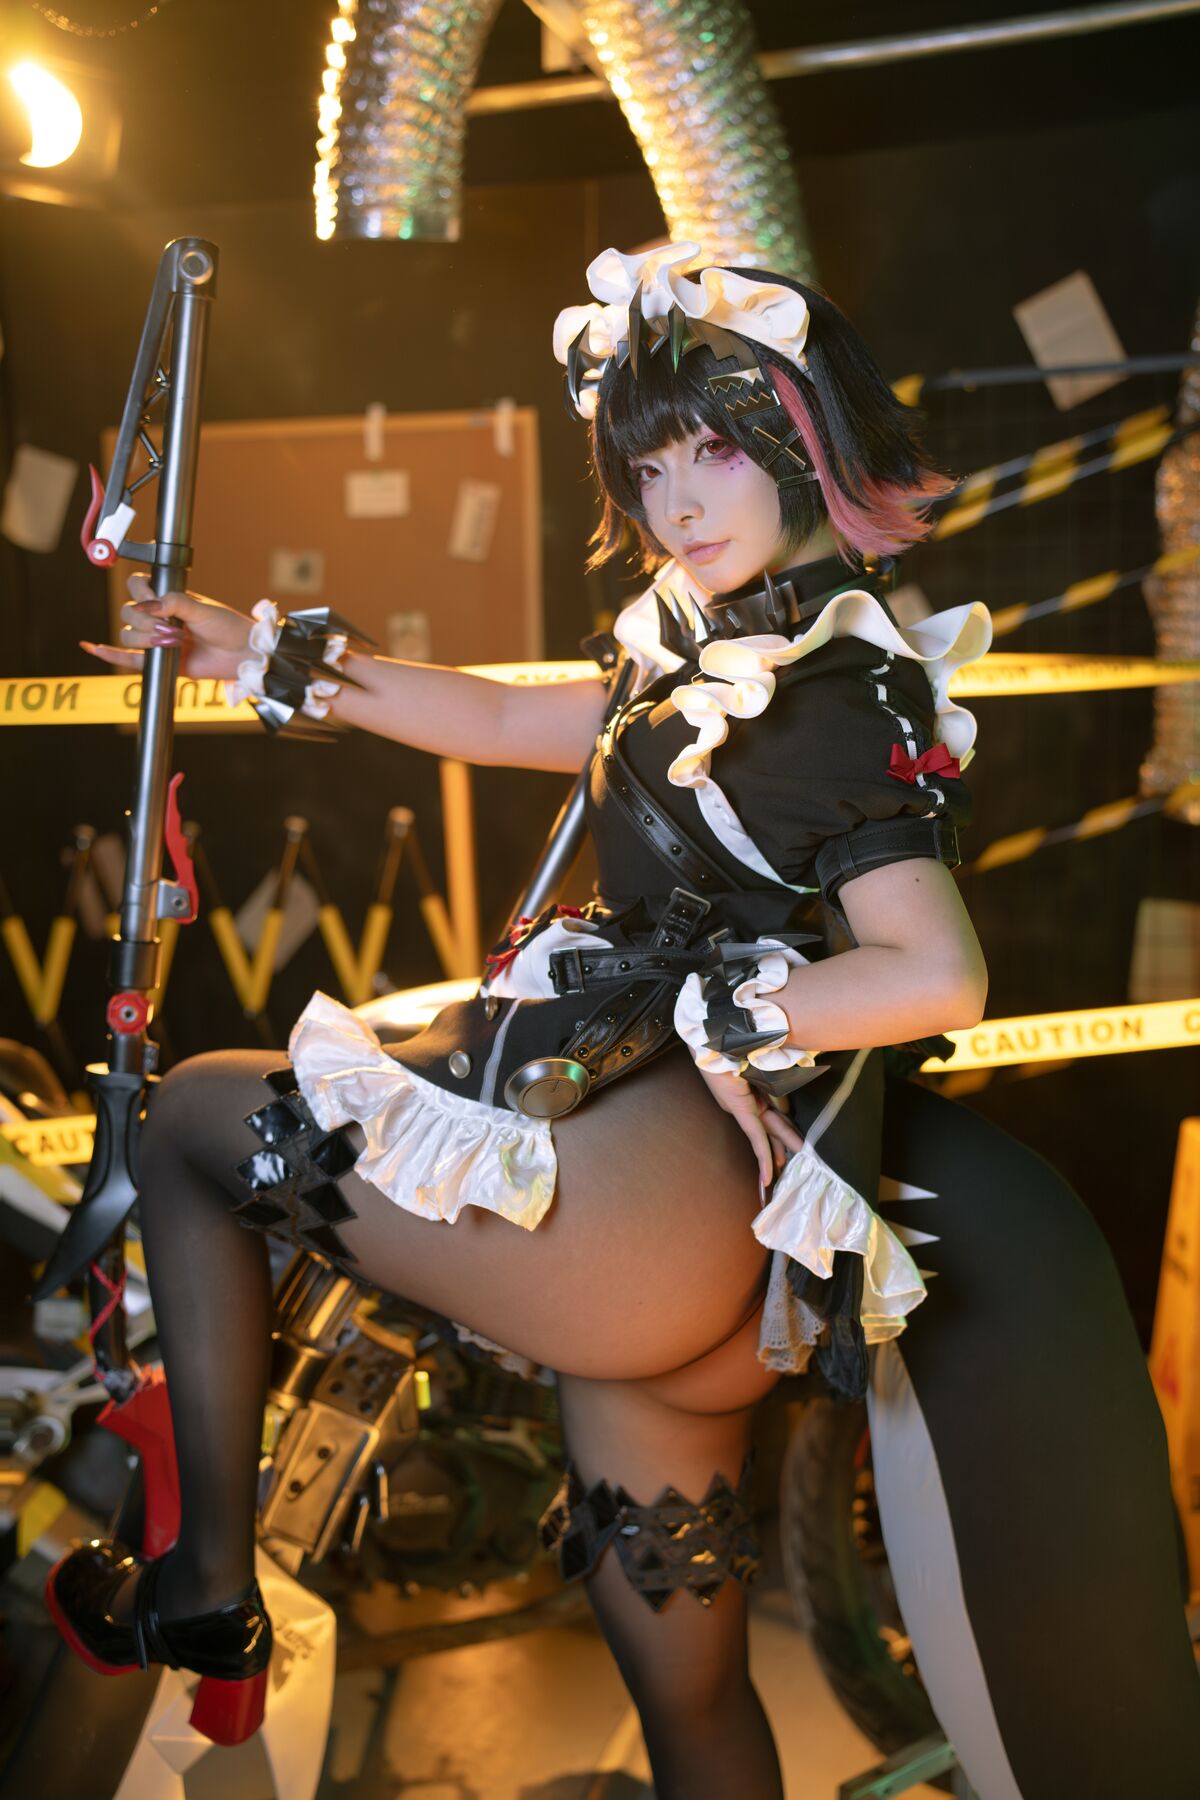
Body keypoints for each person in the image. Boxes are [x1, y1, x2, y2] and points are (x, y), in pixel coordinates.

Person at [47, 242, 1199, 1799]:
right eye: (649, 469)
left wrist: (722, 1004)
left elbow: (938, 975)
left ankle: (204, 1588)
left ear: (802, 439)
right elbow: (507, 717)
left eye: (712, 452)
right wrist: (256, 653)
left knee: (194, 1115)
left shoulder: (831, 682)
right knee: (693, 1704)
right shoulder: (715, 639)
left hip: (666, 1220)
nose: (678, 503)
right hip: (689, 1293)